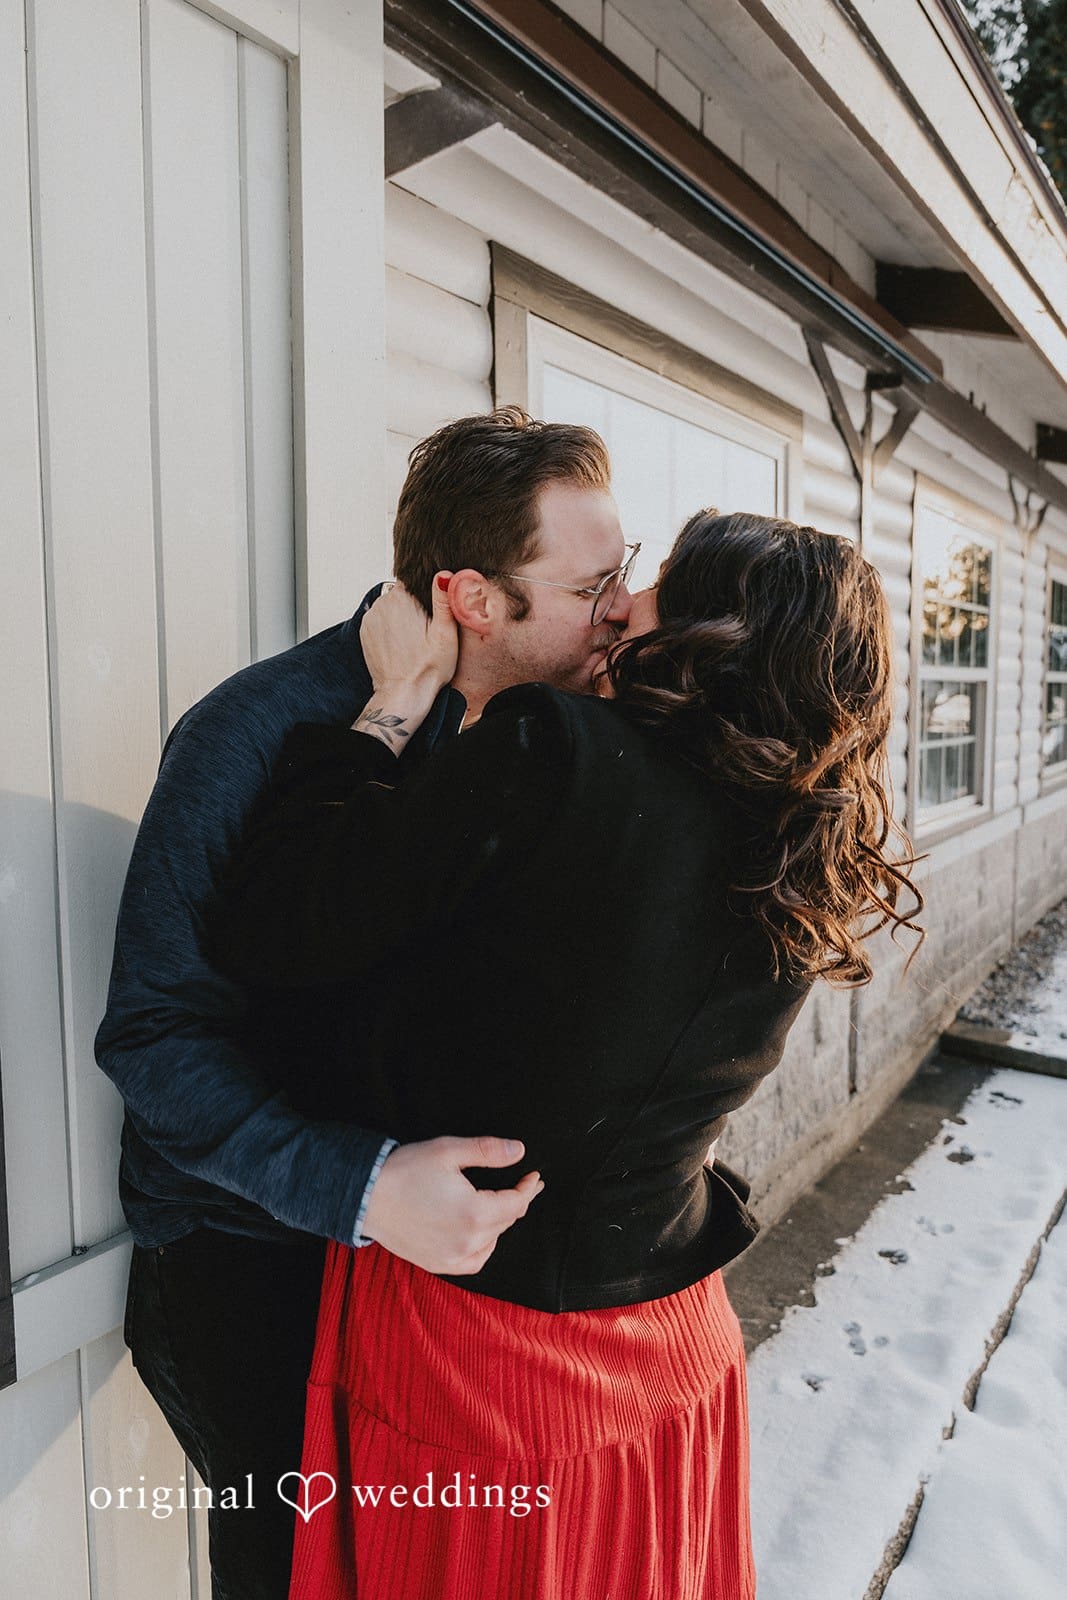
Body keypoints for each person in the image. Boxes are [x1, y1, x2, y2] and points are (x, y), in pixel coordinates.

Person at [215, 510, 925, 1600]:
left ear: (706, 631)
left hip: (486, 1360)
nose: (624, 605)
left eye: (654, 585)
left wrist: (391, 706)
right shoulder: (795, 844)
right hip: (670, 1347)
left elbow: (278, 918)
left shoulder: (555, 751)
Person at [94, 408, 639, 1600]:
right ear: (470, 597)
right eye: (592, 583)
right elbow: (151, 1031)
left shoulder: (562, 729)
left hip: (436, 1286)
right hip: (253, 1263)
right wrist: (356, 1185)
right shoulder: (251, 735)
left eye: (627, 569)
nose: (620, 608)